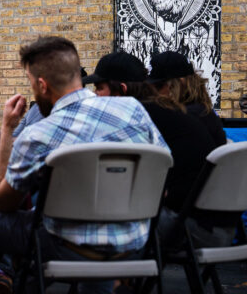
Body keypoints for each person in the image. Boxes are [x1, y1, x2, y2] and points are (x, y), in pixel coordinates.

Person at [0, 37, 167, 294]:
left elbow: (3, 202)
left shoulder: (39, 134)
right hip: (133, 246)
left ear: (41, 84)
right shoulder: (133, 110)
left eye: (30, 82)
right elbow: (161, 173)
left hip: (66, 246)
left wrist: (7, 129)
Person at [83, 51, 233, 251]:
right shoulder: (174, 113)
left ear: (121, 90)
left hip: (191, 229)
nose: (95, 95)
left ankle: (118, 280)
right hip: (218, 226)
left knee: (91, 220)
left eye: (99, 88)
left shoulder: (141, 118)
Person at [148, 51, 226, 146]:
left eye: (158, 86)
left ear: (177, 84)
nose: (154, 92)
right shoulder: (203, 111)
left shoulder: (183, 117)